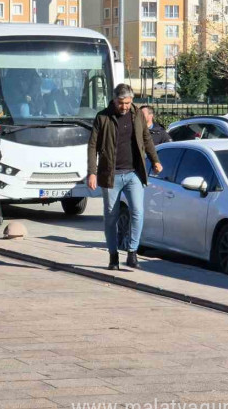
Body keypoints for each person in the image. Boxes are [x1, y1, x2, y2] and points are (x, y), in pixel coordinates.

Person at [87, 84, 162, 271]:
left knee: (137, 212)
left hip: (134, 173)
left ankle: (132, 252)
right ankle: (113, 256)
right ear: (114, 100)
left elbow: (146, 139)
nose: (125, 107)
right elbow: (92, 146)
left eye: (128, 103)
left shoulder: (137, 115)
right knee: (110, 217)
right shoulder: (103, 117)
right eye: (121, 103)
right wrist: (92, 172)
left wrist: (155, 160)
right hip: (111, 175)